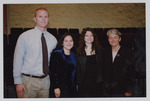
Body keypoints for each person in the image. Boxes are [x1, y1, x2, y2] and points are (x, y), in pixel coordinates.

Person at [13, 8, 57, 98]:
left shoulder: (53, 39)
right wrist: (18, 82)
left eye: (46, 17)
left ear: (48, 19)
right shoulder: (24, 37)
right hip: (28, 81)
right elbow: (17, 59)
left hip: (46, 81)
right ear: (35, 19)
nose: (43, 19)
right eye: (40, 16)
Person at [102, 29, 135, 97]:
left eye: (115, 37)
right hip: (106, 90)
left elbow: (131, 72)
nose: (113, 40)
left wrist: (129, 90)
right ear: (108, 39)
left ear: (119, 39)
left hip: (122, 90)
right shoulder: (104, 52)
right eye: (110, 38)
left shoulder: (128, 52)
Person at [76, 27, 103, 97]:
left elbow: (102, 67)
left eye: (91, 35)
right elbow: (78, 69)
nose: (89, 37)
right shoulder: (78, 51)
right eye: (87, 35)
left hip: (97, 82)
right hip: (84, 83)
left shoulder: (99, 50)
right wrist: (78, 83)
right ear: (83, 37)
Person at [50, 33, 77, 97]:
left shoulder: (74, 55)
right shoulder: (57, 54)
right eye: (66, 41)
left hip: (71, 87)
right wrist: (56, 87)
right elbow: (52, 72)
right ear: (62, 43)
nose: (69, 43)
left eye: (71, 41)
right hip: (59, 88)